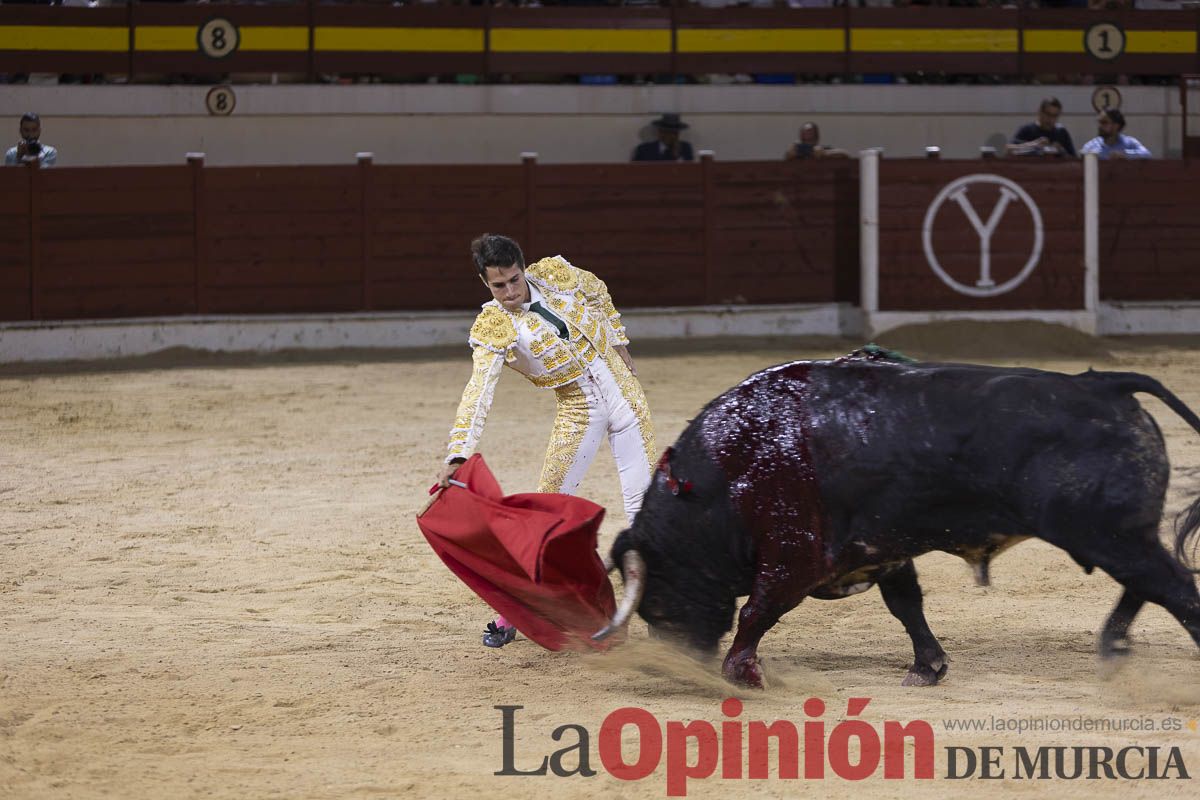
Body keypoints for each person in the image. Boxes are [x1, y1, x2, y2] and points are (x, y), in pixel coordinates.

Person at [437, 234, 656, 648]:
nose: (509, 292)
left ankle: (661, 609)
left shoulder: (555, 273)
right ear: (484, 283)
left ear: (523, 267)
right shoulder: (493, 326)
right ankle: (514, 610)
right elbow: (478, 391)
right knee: (547, 509)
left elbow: (596, 290)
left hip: (626, 397)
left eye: (514, 280)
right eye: (497, 286)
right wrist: (458, 452)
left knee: (643, 509)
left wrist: (619, 337)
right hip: (578, 408)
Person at [1006, 97, 1076, 158]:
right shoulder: (1027, 130)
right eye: (1048, 114)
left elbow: (1073, 159)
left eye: (1055, 116)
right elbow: (1008, 149)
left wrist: (1061, 150)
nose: (1051, 119)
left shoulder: (1061, 132)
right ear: (1040, 112)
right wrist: (1034, 145)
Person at [1080, 109, 1151, 160]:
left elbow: (1146, 154)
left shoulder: (1129, 143)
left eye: (1104, 122)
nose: (1100, 126)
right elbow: (1083, 152)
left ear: (1116, 125)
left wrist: (1125, 154)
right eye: (1099, 122)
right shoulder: (1093, 144)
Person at [784, 121, 848, 160]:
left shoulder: (822, 149)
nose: (807, 134)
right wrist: (791, 152)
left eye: (810, 132)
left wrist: (825, 153)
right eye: (804, 132)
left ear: (816, 135)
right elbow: (787, 157)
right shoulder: (797, 151)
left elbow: (845, 154)